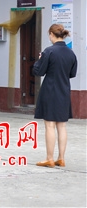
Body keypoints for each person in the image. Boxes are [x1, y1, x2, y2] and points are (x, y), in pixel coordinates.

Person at [33, 24, 77, 168]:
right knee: (62, 125)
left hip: (50, 91)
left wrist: (39, 60)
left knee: (50, 125)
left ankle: (49, 158)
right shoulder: (71, 53)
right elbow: (72, 74)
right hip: (64, 90)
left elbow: (39, 71)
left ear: (52, 34)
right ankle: (61, 158)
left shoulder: (49, 51)